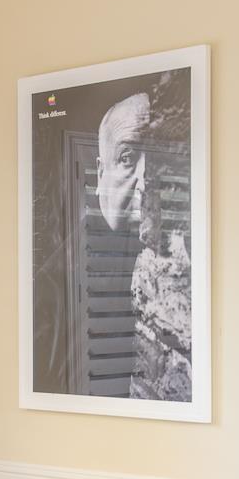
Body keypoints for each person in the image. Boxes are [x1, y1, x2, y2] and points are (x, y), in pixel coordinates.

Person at [95, 75, 191, 403]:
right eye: (127, 158)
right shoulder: (70, 262)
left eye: (156, 159)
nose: (144, 179)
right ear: (100, 172)